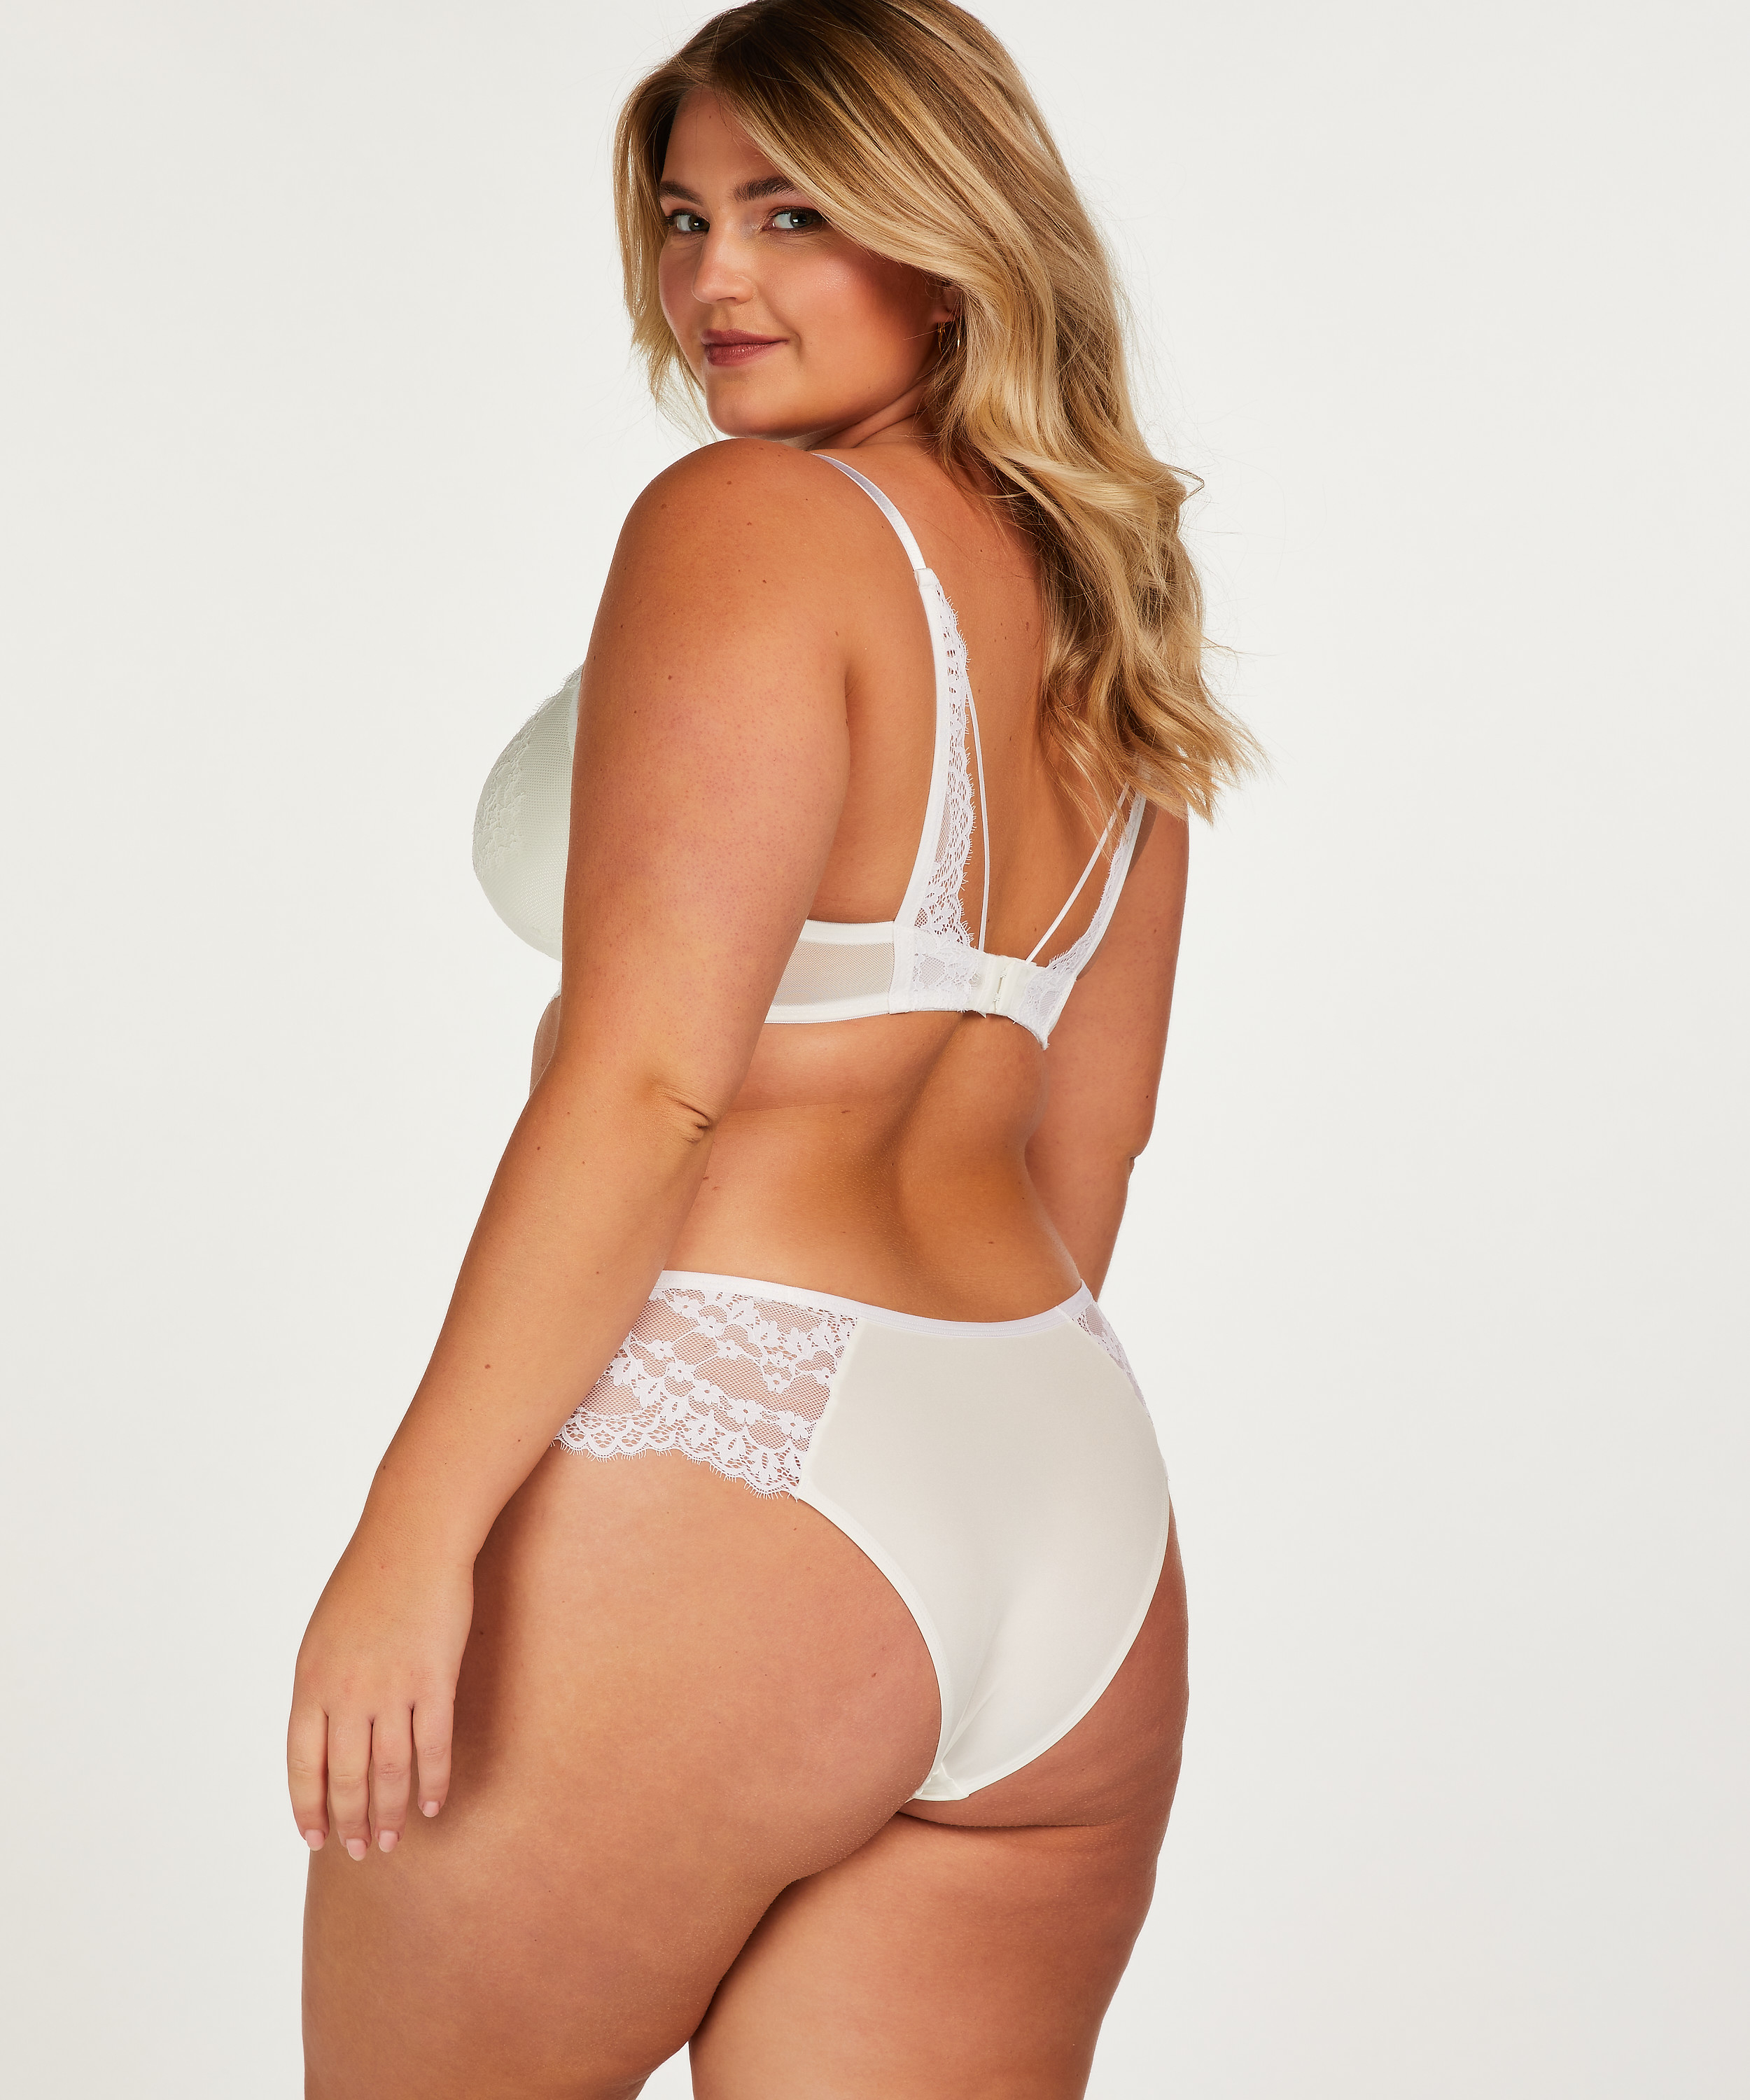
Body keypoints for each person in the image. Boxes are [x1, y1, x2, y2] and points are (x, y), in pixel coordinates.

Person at [289, 1, 1252, 2091]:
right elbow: (1089, 1151)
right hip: (1062, 1498)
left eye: (792, 211)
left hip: (738, 1451)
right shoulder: (1107, 605)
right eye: (684, 216)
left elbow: (646, 1087)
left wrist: (408, 1539)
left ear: (952, 230)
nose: (713, 275)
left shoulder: (746, 523)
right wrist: (934, 1495)